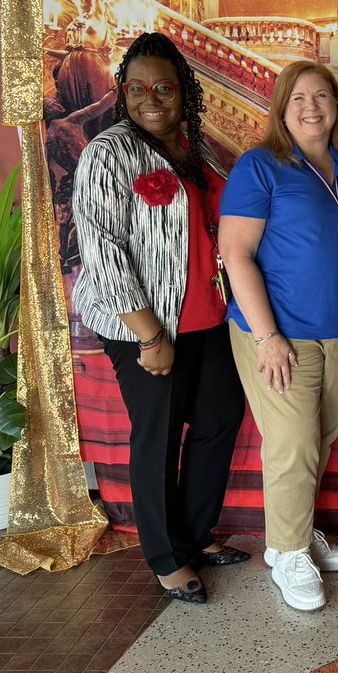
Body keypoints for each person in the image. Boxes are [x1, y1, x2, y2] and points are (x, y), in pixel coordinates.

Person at [72, 32, 249, 605]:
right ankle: (165, 556)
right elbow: (103, 249)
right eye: (140, 88)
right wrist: (149, 335)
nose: (153, 98)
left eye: (165, 88)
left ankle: (193, 537)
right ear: (123, 92)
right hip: (144, 325)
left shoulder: (191, 152)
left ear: (183, 92)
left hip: (206, 315)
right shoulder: (109, 153)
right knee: (159, 432)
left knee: (220, 418)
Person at [219, 60, 338, 612]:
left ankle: (299, 530)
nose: (311, 107)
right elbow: (236, 254)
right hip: (278, 334)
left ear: (337, 105)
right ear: (282, 107)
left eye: (322, 96)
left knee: (320, 438)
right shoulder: (260, 167)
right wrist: (267, 337)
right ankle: (285, 552)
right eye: (298, 97)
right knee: (293, 445)